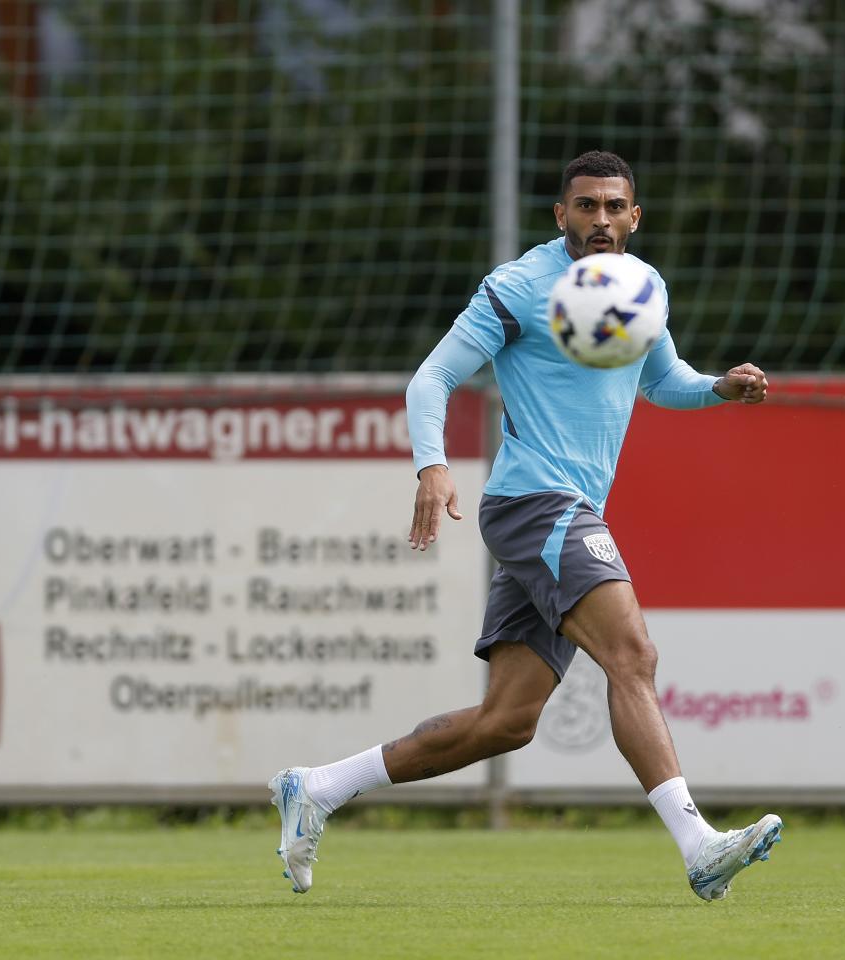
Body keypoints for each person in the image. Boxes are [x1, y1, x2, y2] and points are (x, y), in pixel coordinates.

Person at [269, 150, 781, 902]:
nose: (600, 220)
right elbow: (432, 377)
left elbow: (661, 381)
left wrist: (719, 389)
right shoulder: (517, 288)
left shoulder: (644, 288)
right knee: (632, 652)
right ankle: (699, 844)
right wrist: (432, 464)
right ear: (560, 215)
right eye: (585, 206)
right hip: (536, 502)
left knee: (504, 723)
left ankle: (316, 787)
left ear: (635, 218)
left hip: (562, 511)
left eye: (614, 207)